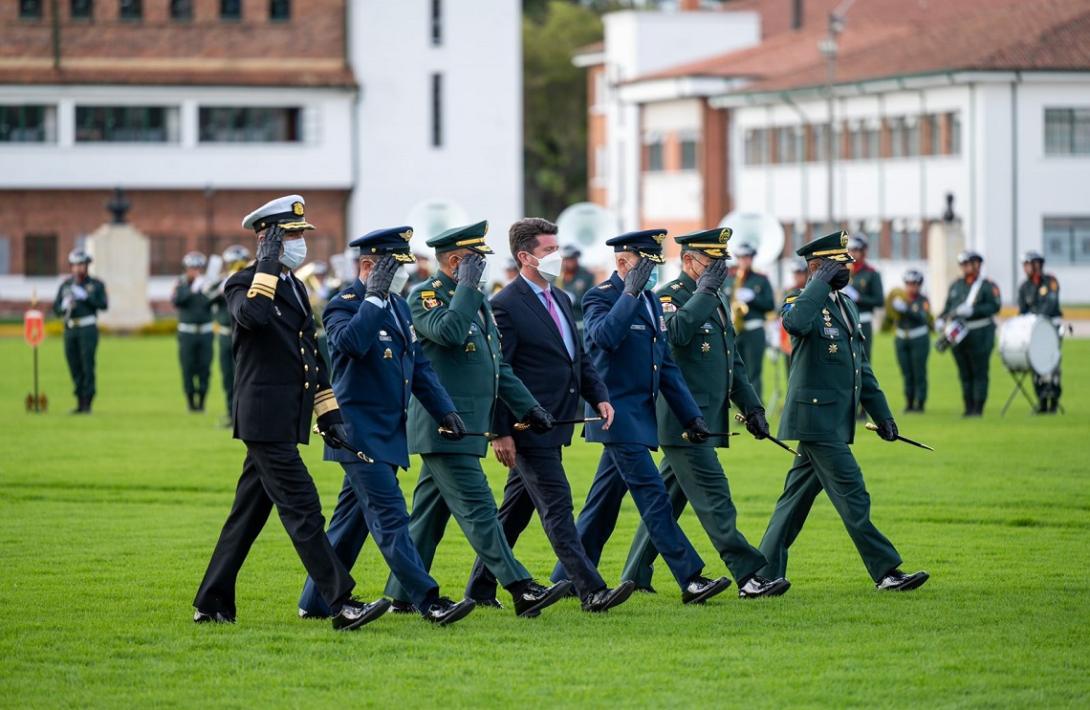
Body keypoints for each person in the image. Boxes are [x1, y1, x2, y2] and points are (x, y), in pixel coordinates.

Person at [193, 194, 389, 632]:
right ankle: (341, 601)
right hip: (263, 420)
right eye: (292, 234)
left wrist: (328, 412)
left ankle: (211, 601)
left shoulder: (297, 286)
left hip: (288, 416)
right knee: (304, 508)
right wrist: (263, 263)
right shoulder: (242, 282)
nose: (301, 242)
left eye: (302, 234)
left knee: (247, 516)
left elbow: (310, 356)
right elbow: (254, 318)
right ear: (268, 238)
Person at [385, 220, 572, 618]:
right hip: (445, 426)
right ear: (455, 261)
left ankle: (400, 595)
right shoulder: (426, 297)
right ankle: (522, 587)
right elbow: (449, 334)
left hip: (469, 426)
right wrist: (467, 288)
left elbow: (497, 366)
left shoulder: (477, 300)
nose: (482, 267)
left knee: (427, 519)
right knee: (481, 510)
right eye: (475, 260)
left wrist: (530, 407)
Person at [296, 226, 476, 626]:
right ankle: (429, 600)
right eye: (393, 266)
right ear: (368, 266)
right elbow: (352, 345)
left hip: (388, 431)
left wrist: (444, 410)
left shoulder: (397, 305)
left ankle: (315, 600)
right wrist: (373, 297)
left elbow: (420, 368)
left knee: (351, 520)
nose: (401, 273)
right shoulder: (344, 304)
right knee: (391, 516)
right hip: (356, 432)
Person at [551, 228, 731, 606]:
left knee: (602, 504)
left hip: (638, 415)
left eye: (654, 264)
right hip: (614, 415)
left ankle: (566, 577)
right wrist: (629, 293)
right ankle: (691, 578)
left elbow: (665, 365)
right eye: (645, 263)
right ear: (622, 262)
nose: (652, 271)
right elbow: (604, 338)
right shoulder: (600, 297)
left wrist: (690, 416)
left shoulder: (650, 301)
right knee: (653, 497)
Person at [463, 218, 635, 613]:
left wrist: (599, 396)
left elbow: (578, 358)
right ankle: (591, 590)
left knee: (514, 513)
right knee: (558, 506)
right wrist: (500, 432)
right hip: (527, 426)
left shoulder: (561, 298)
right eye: (547, 251)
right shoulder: (504, 305)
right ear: (525, 257)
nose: (556, 256)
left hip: (556, 422)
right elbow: (498, 374)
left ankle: (479, 588)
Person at [620, 227, 790, 599]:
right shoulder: (670, 297)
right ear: (687, 262)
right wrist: (706, 291)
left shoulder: (713, 298)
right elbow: (676, 334)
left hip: (705, 420)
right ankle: (748, 576)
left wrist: (752, 407)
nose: (717, 270)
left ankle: (633, 574)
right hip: (681, 421)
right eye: (710, 263)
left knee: (664, 502)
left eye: (720, 263)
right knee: (715, 498)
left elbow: (733, 362)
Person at [756, 231, 928, 592]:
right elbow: (794, 324)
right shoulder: (800, 300)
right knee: (854, 493)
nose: (847, 270)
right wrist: (815, 284)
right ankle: (886, 571)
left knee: (793, 504)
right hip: (815, 420)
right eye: (838, 265)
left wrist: (883, 416)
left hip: (834, 420)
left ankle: (761, 574)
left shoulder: (846, 305)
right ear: (818, 269)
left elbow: (860, 368)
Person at [938, 251, 1000, 417]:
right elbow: (948, 307)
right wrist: (941, 319)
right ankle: (968, 405)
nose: (965, 268)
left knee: (979, 371)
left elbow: (994, 306)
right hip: (959, 334)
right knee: (964, 372)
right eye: (963, 265)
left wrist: (974, 310)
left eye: (968, 264)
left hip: (980, 332)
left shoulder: (987, 285)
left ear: (977, 265)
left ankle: (978, 407)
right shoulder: (956, 285)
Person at [52, 248, 107, 414]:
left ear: (87, 266)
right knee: (74, 364)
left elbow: (103, 305)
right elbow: (56, 309)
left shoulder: (96, 284)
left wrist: (85, 296)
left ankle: (87, 403)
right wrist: (64, 306)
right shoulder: (66, 285)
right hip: (71, 328)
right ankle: (79, 400)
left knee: (87, 364)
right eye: (75, 265)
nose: (78, 269)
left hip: (87, 328)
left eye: (81, 265)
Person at [724, 242, 773, 400]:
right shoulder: (730, 280)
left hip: (754, 330)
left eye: (747, 257)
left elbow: (770, 305)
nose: (744, 260)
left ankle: (756, 407)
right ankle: (740, 406)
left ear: (752, 258)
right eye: (741, 257)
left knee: (754, 372)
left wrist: (753, 298)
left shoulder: (761, 279)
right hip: (735, 330)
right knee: (736, 371)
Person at [208, 244, 251, 426]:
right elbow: (206, 297)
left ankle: (244, 416)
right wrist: (220, 287)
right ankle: (230, 413)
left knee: (245, 376)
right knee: (228, 376)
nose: (234, 266)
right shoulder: (220, 281)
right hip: (225, 335)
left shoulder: (251, 280)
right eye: (232, 263)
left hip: (244, 335)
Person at [1017, 250, 1063, 413]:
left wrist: (1037, 317)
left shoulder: (1050, 281)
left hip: (1050, 328)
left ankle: (1053, 401)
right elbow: (1022, 310)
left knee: (1052, 364)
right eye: (1025, 265)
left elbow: (1050, 304)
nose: (1026, 268)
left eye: (1029, 264)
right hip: (1033, 332)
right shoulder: (1024, 287)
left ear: (1037, 265)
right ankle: (1041, 400)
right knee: (1035, 365)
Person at [173, 252, 215, 412]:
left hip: (205, 332)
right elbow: (177, 301)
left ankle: (202, 401)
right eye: (192, 268)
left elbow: (212, 302)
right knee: (188, 367)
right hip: (187, 333)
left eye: (198, 268)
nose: (195, 271)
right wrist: (192, 289)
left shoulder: (208, 284)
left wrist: (206, 289)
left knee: (205, 368)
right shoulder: (181, 284)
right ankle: (191, 402)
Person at [889, 270, 932, 413]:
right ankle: (909, 402)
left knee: (918, 372)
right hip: (902, 338)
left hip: (918, 338)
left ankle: (920, 402)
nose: (910, 287)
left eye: (914, 284)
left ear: (919, 285)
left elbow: (922, 317)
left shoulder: (922, 300)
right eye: (908, 284)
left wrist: (906, 309)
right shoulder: (901, 298)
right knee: (906, 372)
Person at [556, 244, 596, 326]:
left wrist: (574, 299)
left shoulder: (586, 275)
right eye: (567, 259)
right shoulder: (555, 275)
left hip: (581, 322)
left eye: (573, 259)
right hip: (561, 322)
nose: (570, 262)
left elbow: (592, 299)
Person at [781, 258, 809, 372]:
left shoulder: (809, 291)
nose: (797, 276)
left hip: (804, 337)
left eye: (800, 273)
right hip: (788, 336)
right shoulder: (788, 291)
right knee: (789, 371)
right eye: (795, 273)